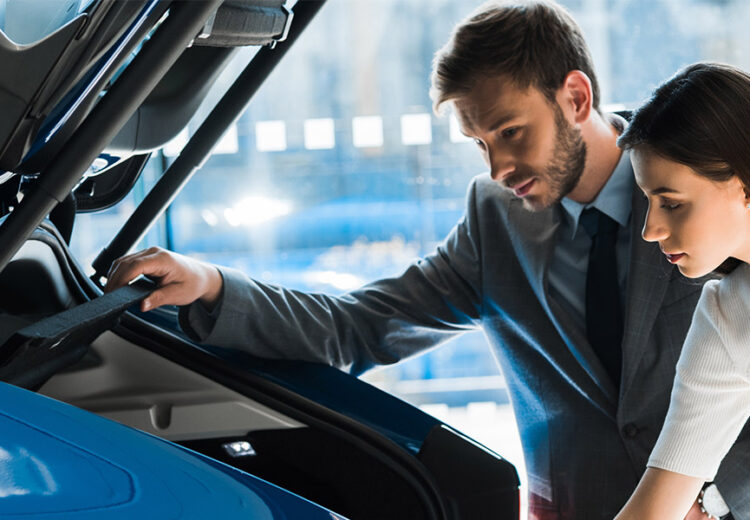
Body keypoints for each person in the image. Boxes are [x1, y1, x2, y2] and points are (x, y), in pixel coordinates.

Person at [104, 2, 750, 519]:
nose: (497, 167)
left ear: (575, 98)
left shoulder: (701, 182)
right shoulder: (496, 218)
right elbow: (363, 326)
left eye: (510, 132)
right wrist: (212, 286)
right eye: (478, 142)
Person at [611, 62, 750, 520]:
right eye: (648, 202)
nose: (650, 230)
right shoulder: (728, 316)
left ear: (744, 184)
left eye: (671, 203)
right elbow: (655, 505)